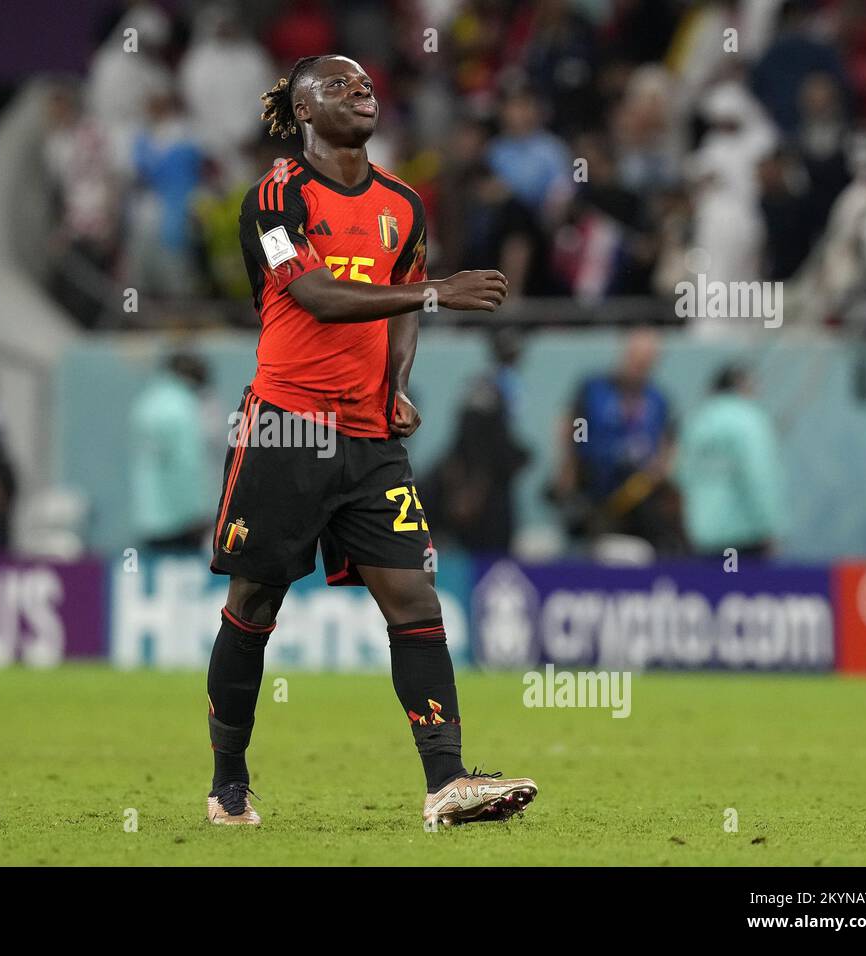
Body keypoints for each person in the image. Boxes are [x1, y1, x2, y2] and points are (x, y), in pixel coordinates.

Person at [203, 55, 536, 828]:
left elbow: (402, 311)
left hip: (369, 436)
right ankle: (228, 785)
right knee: (255, 600)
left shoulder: (403, 204)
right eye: (339, 85)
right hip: (286, 425)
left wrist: (396, 383)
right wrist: (435, 290)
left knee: (414, 596)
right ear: (302, 110)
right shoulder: (276, 196)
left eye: (366, 84)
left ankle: (447, 782)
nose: (361, 90)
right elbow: (314, 295)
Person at [550, 328, 684, 555]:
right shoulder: (594, 389)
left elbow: (667, 441)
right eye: (636, 359)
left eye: (647, 362)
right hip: (594, 491)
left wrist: (661, 469)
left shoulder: (657, 399)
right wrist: (568, 471)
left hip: (638, 495)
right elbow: (569, 426)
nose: (639, 367)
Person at [422, 329, 530, 554]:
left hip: (494, 482)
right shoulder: (485, 389)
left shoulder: (507, 385)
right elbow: (472, 443)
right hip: (482, 488)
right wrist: (470, 488)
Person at [676, 365, 784, 559]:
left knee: (712, 587)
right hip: (742, 536)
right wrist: (769, 525)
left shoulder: (697, 421)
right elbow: (759, 475)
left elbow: (681, 474)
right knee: (737, 586)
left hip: (702, 535)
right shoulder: (750, 420)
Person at [130, 352, 213, 550]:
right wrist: (196, 512)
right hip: (180, 519)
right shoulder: (182, 407)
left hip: (148, 513)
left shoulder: (146, 402)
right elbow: (187, 464)